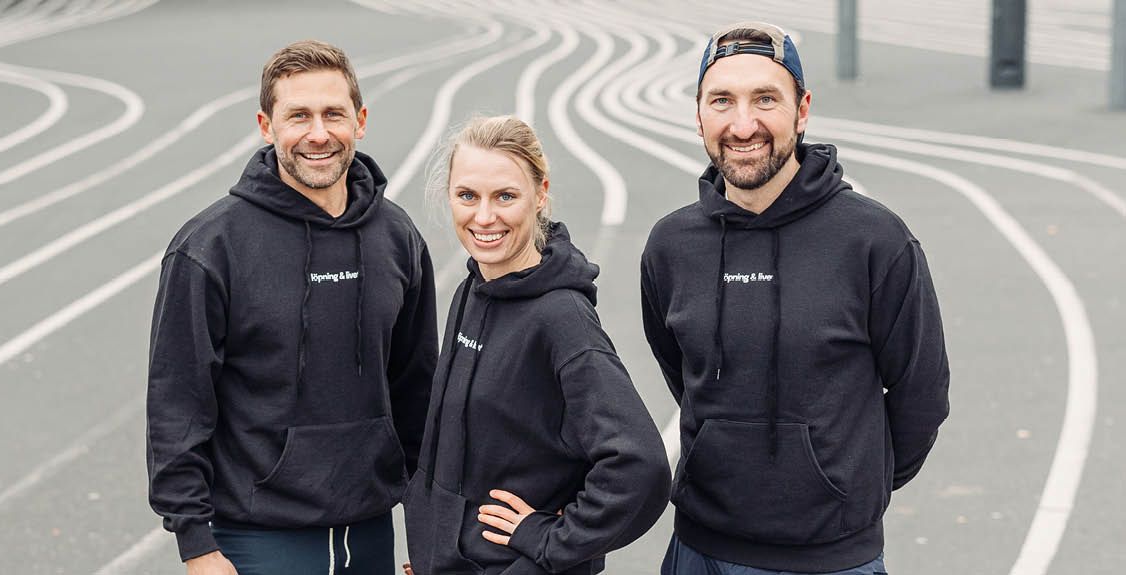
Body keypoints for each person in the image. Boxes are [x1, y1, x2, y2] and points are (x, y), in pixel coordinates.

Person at [640, 22, 950, 575]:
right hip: (699, 550)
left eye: (765, 99)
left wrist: (846, 486)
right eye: (722, 100)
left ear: (802, 110)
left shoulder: (875, 241)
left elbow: (920, 396)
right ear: (699, 114)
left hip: (832, 559)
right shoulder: (671, 246)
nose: (743, 124)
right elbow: (681, 370)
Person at [147, 40, 437, 575]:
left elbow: (418, 391)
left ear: (361, 120)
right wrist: (196, 544)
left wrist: (428, 532)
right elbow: (178, 403)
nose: (319, 134)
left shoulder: (398, 237)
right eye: (298, 116)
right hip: (257, 540)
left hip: (371, 534)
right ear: (266, 125)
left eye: (334, 114)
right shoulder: (210, 247)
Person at [403, 115, 671, 575]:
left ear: (540, 193)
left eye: (505, 196)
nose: (483, 217)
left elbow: (639, 467)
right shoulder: (472, 290)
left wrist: (549, 540)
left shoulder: (561, 319)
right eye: (467, 196)